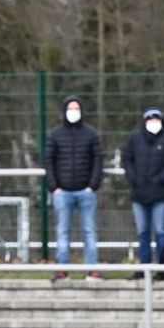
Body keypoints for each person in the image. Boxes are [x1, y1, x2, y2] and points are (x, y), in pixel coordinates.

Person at [45, 94, 103, 279]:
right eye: (70, 108)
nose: (73, 112)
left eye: (76, 108)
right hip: (62, 192)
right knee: (63, 231)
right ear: (64, 111)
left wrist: (92, 185)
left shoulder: (91, 134)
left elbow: (98, 160)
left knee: (89, 231)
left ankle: (92, 269)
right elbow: (48, 161)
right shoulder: (55, 135)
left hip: (86, 191)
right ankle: (62, 268)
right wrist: (54, 187)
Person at [121, 107, 164, 271]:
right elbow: (126, 159)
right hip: (139, 194)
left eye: (156, 120)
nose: (153, 123)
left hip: (160, 194)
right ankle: (145, 268)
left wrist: (161, 178)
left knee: (161, 232)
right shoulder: (135, 139)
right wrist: (133, 177)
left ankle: (162, 268)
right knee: (143, 232)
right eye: (150, 120)